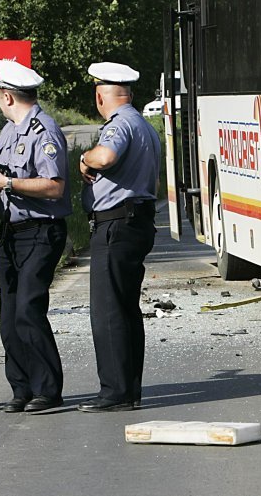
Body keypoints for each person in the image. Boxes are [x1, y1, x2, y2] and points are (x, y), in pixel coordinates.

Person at [0, 60, 71, 414]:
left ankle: (48, 389)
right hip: (11, 232)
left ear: (7, 96)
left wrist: (9, 183)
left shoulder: (44, 131)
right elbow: (1, 167)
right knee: (8, 316)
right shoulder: (9, 130)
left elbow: (54, 187)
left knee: (28, 310)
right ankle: (22, 388)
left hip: (41, 230)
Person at [78, 62, 161, 412]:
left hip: (116, 224)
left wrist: (84, 157)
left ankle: (114, 391)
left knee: (109, 311)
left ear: (100, 96)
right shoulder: (143, 125)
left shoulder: (120, 125)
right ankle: (129, 389)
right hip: (136, 222)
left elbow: (106, 156)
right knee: (126, 310)